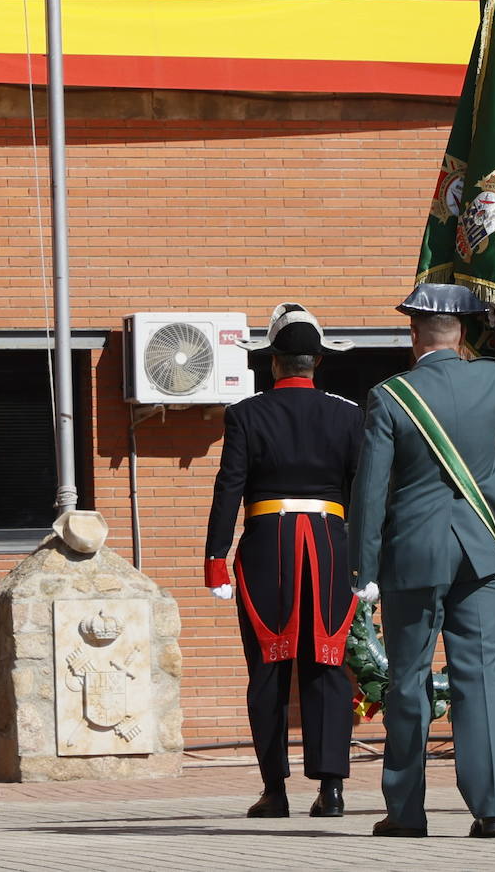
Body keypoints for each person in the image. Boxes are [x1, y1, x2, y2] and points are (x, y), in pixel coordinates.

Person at [347, 283, 495, 839]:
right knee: (483, 676)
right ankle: (491, 808)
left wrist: (363, 570)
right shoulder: (492, 378)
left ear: (413, 334)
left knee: (407, 680)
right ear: (464, 332)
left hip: (412, 555)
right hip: (479, 550)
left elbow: (369, 492)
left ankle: (406, 813)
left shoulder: (390, 395)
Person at [204, 302, 363, 819]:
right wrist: (368, 557)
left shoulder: (246, 413)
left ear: (273, 361)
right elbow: (363, 492)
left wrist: (215, 557)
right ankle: (332, 788)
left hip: (268, 544)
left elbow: (229, 488)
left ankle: (275, 790)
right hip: (331, 544)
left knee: (269, 668)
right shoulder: (347, 413)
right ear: (318, 362)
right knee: (328, 664)